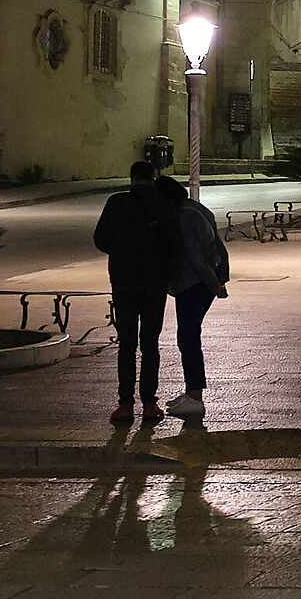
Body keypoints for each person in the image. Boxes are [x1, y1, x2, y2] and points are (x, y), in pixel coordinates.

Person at [93, 159, 170, 427]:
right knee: (150, 342)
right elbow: (173, 242)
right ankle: (149, 402)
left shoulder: (117, 203)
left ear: (131, 179)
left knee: (126, 342)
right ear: (153, 178)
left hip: (124, 282)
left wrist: (122, 252)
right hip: (155, 283)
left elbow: (100, 239)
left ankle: (125, 404)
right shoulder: (162, 203)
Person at [155, 177, 230, 427]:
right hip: (203, 282)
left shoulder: (182, 217)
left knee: (187, 338)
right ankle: (191, 392)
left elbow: (194, 256)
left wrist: (214, 283)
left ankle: (195, 395)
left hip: (192, 283)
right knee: (188, 336)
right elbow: (218, 246)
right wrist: (220, 277)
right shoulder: (197, 209)